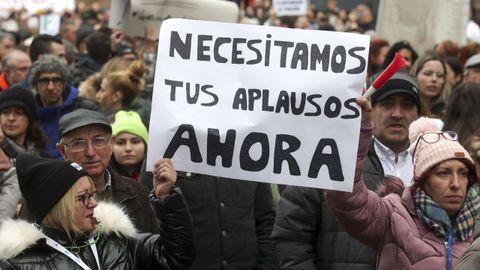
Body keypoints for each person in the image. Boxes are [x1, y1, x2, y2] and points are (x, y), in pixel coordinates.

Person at [271, 71, 420, 269]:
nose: (397, 114)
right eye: (387, 103)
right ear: (368, 108)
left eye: (407, 105)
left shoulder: (437, 168)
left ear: (419, 112)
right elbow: (291, 235)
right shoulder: (329, 158)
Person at [325, 101, 480, 269]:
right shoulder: (394, 215)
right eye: (443, 173)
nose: (456, 184)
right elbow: (347, 197)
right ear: (422, 180)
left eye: (463, 173)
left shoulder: (476, 226)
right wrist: (359, 132)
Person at [0, 154, 195, 269]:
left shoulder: (117, 239)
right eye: (83, 197)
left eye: (92, 194)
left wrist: (167, 199)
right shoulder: (19, 264)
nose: (93, 203)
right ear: (58, 206)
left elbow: (177, 258)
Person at [55, 108, 160, 233]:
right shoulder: (49, 199)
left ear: (111, 144)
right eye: (78, 144)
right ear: (62, 151)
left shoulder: (137, 192)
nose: (90, 152)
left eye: (98, 141)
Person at [29, 55, 96, 159]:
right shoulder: (29, 113)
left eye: (56, 80)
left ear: (64, 84)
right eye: (44, 81)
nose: (50, 87)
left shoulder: (83, 109)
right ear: (35, 85)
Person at [0, 85, 49, 160]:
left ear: (30, 118)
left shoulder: (43, 156)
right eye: (5, 112)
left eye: (19, 113)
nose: (11, 118)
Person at [96, 59, 151, 125]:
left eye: (102, 90)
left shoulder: (110, 125)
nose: (97, 95)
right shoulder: (143, 119)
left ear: (116, 96)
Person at [111, 110, 147, 181]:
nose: (128, 148)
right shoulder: (103, 179)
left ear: (145, 146)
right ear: (111, 146)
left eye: (135, 142)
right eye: (120, 143)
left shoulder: (156, 177)